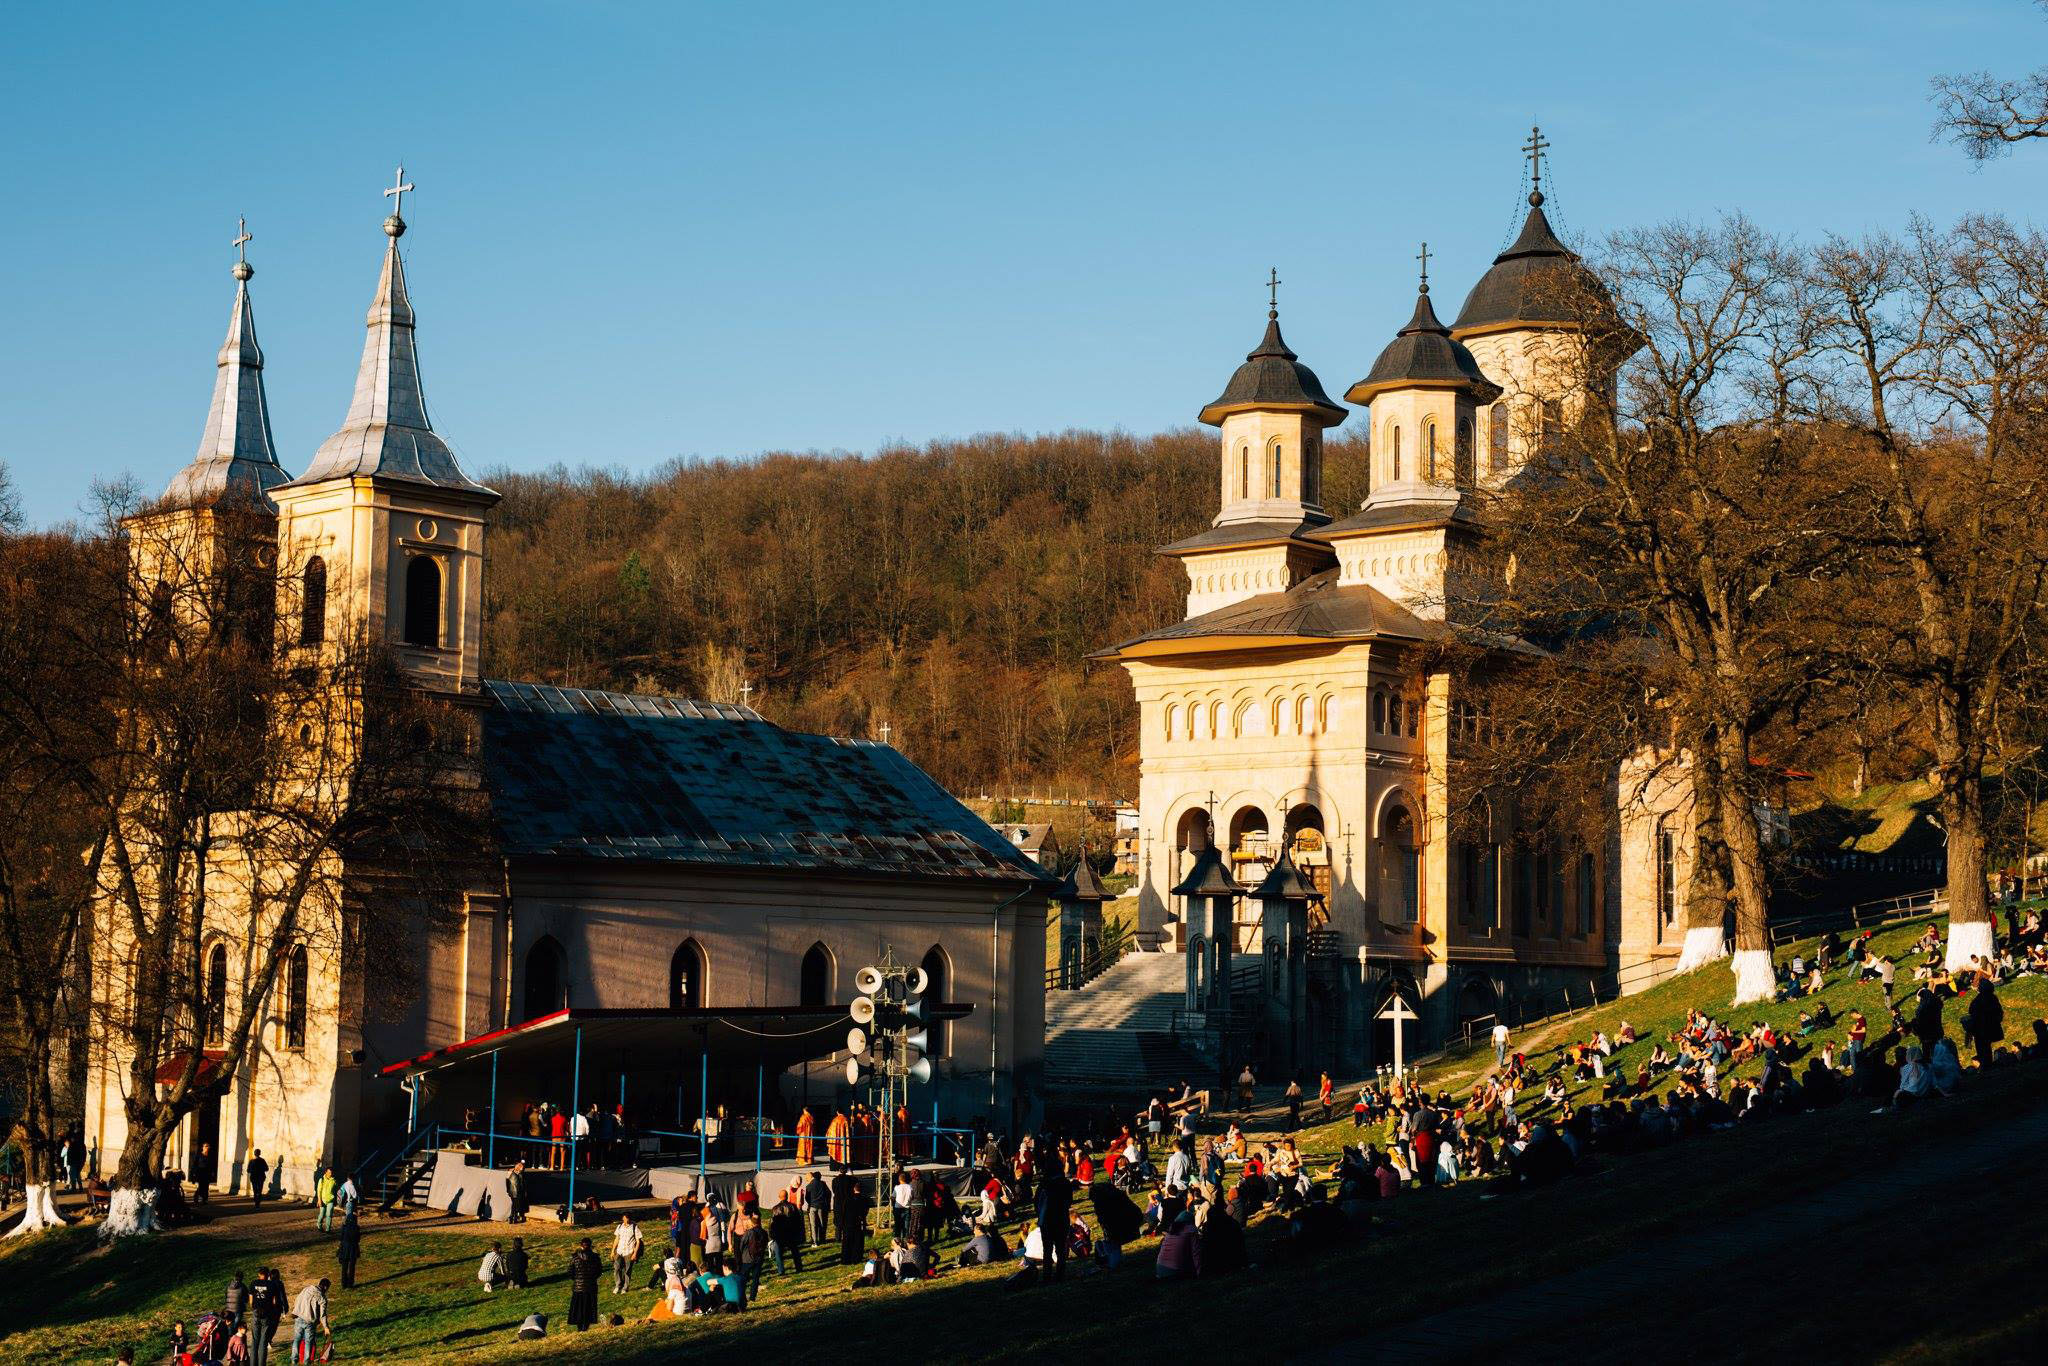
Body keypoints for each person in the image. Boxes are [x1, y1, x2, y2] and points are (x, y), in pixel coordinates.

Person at [249, 1268, 285, 1366]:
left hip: (256, 1313)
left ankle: (252, 1363)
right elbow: (274, 1302)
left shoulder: (253, 1283)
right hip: (267, 1314)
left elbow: (251, 1301)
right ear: (268, 1275)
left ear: (259, 1274)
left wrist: (255, 1308)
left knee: (255, 1340)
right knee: (263, 1341)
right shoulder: (272, 1285)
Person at [289, 1278, 330, 1364]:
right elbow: (323, 1315)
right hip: (309, 1321)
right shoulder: (322, 1298)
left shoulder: (306, 1289)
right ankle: (306, 1361)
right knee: (308, 1341)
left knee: (297, 1339)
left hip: (299, 1317)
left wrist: (295, 1311)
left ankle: (294, 1359)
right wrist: (325, 1327)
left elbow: (298, 1299)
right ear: (325, 1287)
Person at [1966, 975, 2005, 1065]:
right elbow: (1999, 1011)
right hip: (1991, 1026)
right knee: (1987, 1048)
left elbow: (1971, 1011)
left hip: (1981, 1029)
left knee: (1982, 1049)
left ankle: (1985, 1066)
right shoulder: (1993, 998)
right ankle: (1988, 1064)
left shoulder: (1978, 1000)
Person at [566, 1237, 602, 1330]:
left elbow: (570, 1271)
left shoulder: (575, 1257)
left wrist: (577, 1279)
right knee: (589, 1308)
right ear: (590, 1246)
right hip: (591, 1286)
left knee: (578, 1308)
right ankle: (586, 1327)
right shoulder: (595, 1257)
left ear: (581, 1246)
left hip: (578, 1287)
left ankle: (579, 1327)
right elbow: (599, 1272)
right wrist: (591, 1279)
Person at [611, 1214, 643, 1294]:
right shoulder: (619, 1226)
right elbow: (617, 1239)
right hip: (619, 1251)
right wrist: (612, 1250)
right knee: (617, 1268)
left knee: (627, 1270)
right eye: (625, 1219)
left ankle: (625, 1288)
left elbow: (638, 1241)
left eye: (627, 1219)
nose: (626, 1221)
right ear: (623, 1218)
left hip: (629, 1251)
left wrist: (635, 1253)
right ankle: (618, 1285)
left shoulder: (634, 1227)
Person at [804, 1170, 832, 1246]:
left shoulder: (809, 1186)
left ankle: (815, 1241)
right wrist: (827, 1202)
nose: (806, 1180)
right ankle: (822, 1239)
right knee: (822, 1223)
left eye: (806, 1178)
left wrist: (810, 1203)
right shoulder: (823, 1183)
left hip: (812, 1207)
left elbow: (807, 1198)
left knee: (813, 1224)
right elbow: (829, 1193)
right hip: (822, 1206)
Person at [335, 1211, 361, 1289]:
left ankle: (343, 1283)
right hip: (353, 1248)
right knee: (352, 1267)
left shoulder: (344, 1227)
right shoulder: (356, 1228)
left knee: (344, 1267)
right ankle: (350, 1284)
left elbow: (340, 1238)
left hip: (344, 1248)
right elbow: (358, 1239)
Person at [315, 1167, 337, 1233]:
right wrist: (319, 1200)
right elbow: (319, 1191)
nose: (330, 1174)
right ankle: (319, 1226)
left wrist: (335, 1199)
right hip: (322, 1200)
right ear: (326, 1172)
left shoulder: (334, 1181)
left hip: (330, 1200)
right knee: (322, 1214)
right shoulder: (321, 1180)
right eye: (329, 1172)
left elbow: (335, 1190)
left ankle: (328, 1229)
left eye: (331, 1172)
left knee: (329, 1215)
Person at [505, 1159, 528, 1224]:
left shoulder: (510, 1173)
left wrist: (508, 1191)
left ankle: (512, 1217)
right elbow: (521, 1184)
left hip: (512, 1192)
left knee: (514, 1205)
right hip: (518, 1192)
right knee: (515, 1206)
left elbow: (507, 1182)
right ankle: (513, 1217)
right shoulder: (520, 1175)